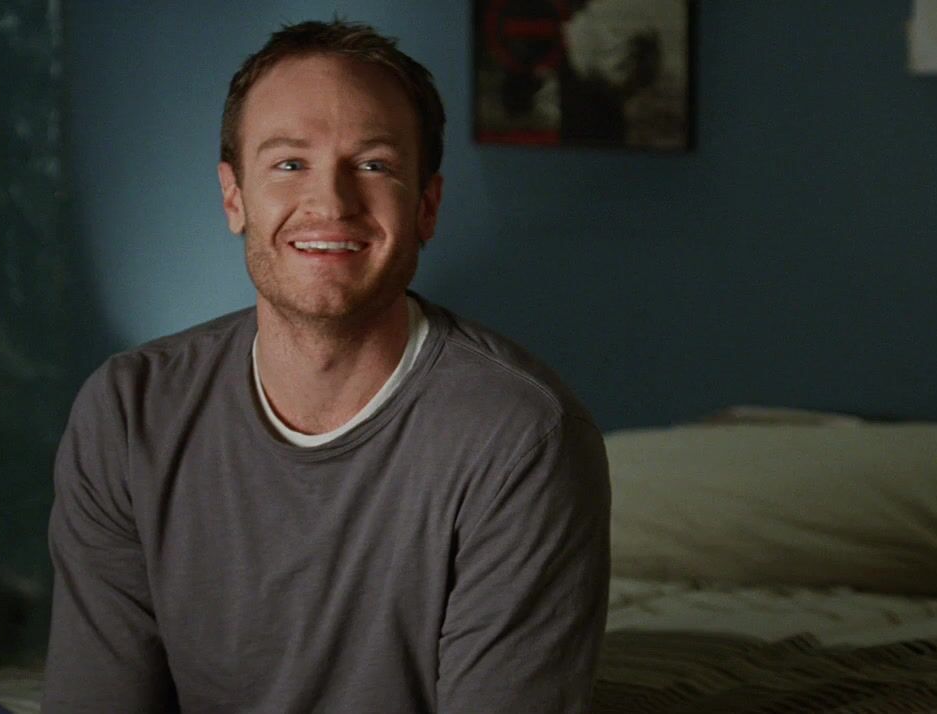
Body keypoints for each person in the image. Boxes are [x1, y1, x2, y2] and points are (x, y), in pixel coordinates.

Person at [42, 18, 611, 713]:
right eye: (289, 164)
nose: (331, 204)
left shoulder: (522, 438)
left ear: (427, 206)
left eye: (373, 165)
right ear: (233, 196)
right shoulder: (129, 414)